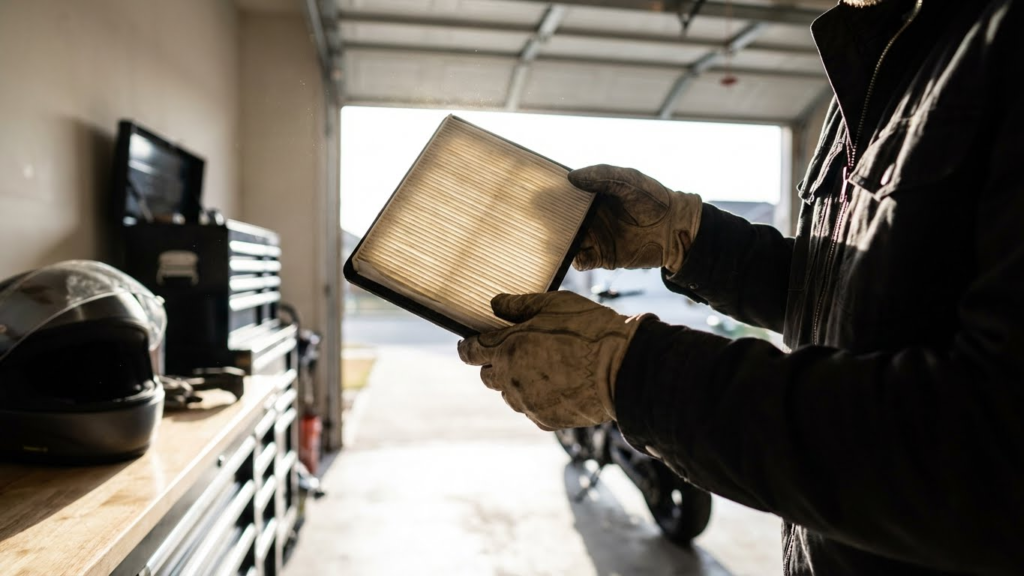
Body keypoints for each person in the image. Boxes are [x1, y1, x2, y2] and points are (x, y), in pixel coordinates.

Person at [457, 1, 1024, 574]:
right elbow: (861, 292)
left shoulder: (1001, 39)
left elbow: (988, 456)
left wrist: (633, 374)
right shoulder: (879, 52)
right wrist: (686, 236)